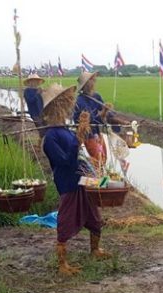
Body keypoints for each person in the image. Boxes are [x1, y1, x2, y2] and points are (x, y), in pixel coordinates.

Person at [42, 83, 111, 275]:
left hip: (81, 181)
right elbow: (64, 161)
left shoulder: (65, 130)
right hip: (67, 183)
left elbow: (77, 154)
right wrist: (78, 139)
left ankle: (95, 249)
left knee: (94, 217)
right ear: (57, 107)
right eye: (66, 105)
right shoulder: (51, 137)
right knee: (66, 221)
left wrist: (82, 136)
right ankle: (62, 264)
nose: (69, 108)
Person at [73, 71, 128, 167]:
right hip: (87, 134)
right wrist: (103, 113)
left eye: (94, 79)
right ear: (86, 84)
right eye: (92, 80)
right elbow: (91, 120)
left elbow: (108, 114)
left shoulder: (96, 96)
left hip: (97, 132)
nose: (94, 82)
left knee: (103, 158)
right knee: (98, 159)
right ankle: (93, 174)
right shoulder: (80, 101)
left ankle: (100, 173)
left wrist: (121, 121)